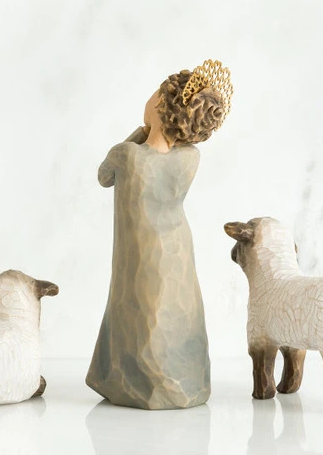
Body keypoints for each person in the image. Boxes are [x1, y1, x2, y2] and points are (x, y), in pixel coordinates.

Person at [86, 60, 233, 409]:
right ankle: (186, 380)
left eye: (154, 95)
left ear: (161, 105)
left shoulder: (126, 155)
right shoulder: (190, 157)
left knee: (139, 308)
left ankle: (136, 381)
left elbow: (104, 176)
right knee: (175, 308)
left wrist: (140, 133)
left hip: (141, 248)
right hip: (177, 247)